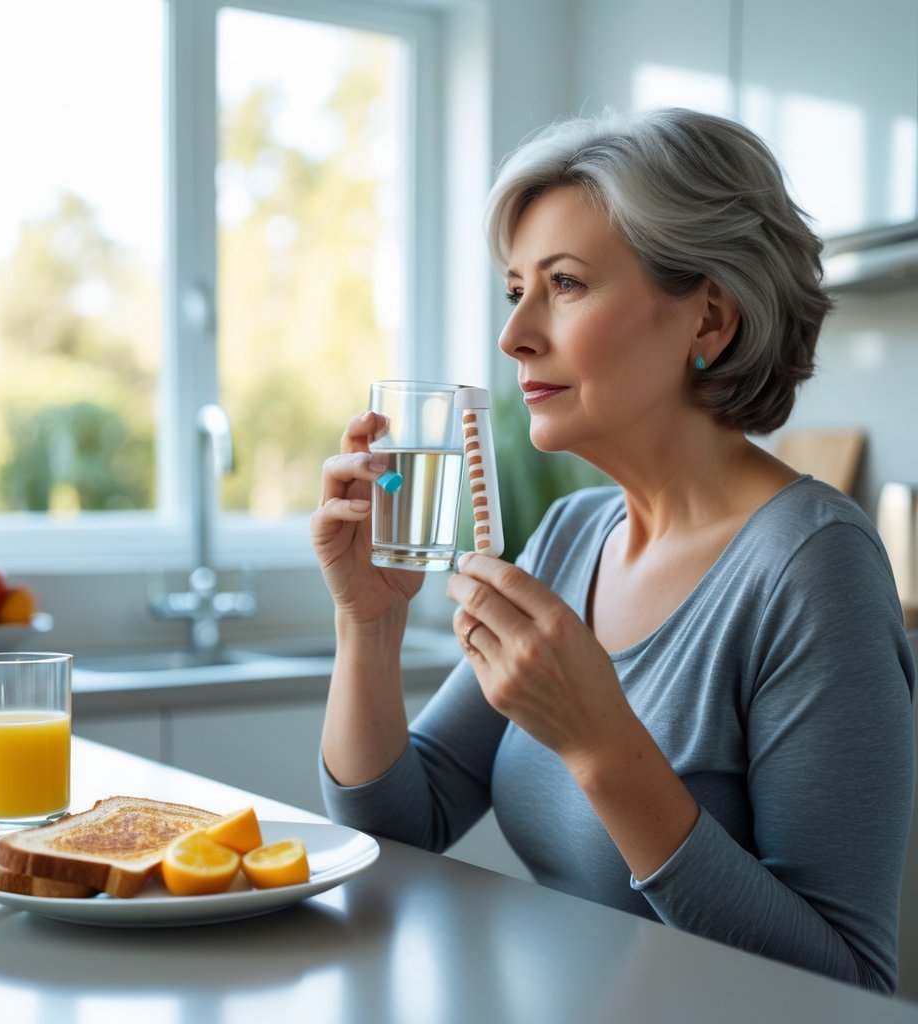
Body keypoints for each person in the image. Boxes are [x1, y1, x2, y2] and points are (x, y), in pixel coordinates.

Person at [309, 107, 915, 993]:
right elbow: (400, 823)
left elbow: (847, 983)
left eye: (565, 283)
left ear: (708, 320)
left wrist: (601, 747)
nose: (515, 334)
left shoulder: (812, 568)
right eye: (515, 289)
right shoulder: (571, 535)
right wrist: (365, 625)